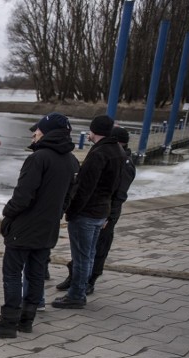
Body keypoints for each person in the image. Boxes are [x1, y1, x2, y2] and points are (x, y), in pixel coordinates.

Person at [0, 112, 79, 338]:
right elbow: (69, 197)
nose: (34, 133)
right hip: (48, 227)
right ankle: (26, 321)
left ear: (47, 133)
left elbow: (23, 196)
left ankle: (8, 323)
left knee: (12, 274)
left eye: (38, 130)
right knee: (35, 274)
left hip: (25, 227)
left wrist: (8, 214)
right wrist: (54, 214)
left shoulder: (38, 158)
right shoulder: (72, 161)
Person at [52, 114, 125, 309]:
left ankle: (76, 295)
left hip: (86, 213)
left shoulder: (99, 153)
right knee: (90, 254)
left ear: (94, 131)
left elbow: (85, 187)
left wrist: (71, 210)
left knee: (82, 256)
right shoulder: (118, 151)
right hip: (101, 211)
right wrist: (109, 213)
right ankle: (81, 289)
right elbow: (116, 187)